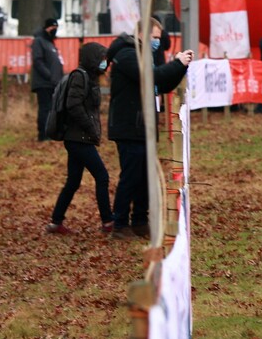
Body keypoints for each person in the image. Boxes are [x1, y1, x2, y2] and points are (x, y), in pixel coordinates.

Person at [107, 17, 193, 240]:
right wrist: (176, 63)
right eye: (154, 37)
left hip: (143, 126)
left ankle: (139, 221)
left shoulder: (144, 55)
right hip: (129, 126)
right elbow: (151, 76)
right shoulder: (127, 55)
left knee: (145, 176)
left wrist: (179, 68)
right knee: (131, 176)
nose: (157, 42)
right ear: (142, 34)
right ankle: (120, 224)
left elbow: (162, 84)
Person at [45, 42, 113, 235]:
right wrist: (90, 128)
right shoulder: (80, 77)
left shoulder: (89, 78)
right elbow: (73, 105)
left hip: (79, 138)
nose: (105, 63)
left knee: (73, 181)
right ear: (93, 59)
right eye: (101, 59)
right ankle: (108, 221)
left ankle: (56, 222)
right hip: (78, 138)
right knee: (102, 176)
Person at [31, 18, 64, 142]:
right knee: (45, 108)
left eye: (56, 28)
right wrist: (49, 76)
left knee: (52, 109)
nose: (54, 30)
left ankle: (51, 133)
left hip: (53, 82)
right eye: (52, 28)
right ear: (46, 28)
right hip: (44, 83)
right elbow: (38, 61)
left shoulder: (50, 43)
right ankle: (43, 135)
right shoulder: (39, 41)